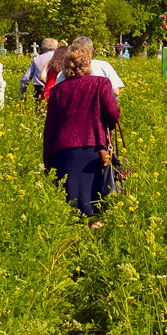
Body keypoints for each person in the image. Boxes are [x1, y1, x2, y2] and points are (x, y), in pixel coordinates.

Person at [43, 43, 120, 221]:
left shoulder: (57, 91)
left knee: (70, 205)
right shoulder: (100, 83)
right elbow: (112, 113)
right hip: (93, 149)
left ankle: (72, 240)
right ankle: (95, 237)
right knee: (95, 202)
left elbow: (50, 128)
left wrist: (47, 162)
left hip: (63, 152)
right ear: (87, 63)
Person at [55, 36, 124, 96]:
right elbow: (115, 92)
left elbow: (57, 94)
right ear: (92, 51)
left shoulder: (64, 72)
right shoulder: (104, 66)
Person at [21, 37, 59, 104]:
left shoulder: (36, 59)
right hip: (56, 87)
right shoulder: (59, 58)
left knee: (39, 111)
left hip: (39, 88)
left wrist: (23, 92)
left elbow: (26, 78)